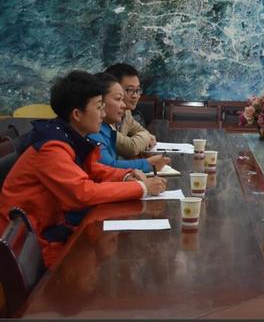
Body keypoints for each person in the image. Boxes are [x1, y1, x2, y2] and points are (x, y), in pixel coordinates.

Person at [0, 70, 166, 266]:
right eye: (99, 107)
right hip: (29, 244)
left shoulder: (68, 136)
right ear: (77, 114)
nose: (103, 114)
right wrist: (142, 188)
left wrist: (127, 175)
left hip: (47, 228)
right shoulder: (51, 148)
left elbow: (94, 169)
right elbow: (83, 192)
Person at [89, 72, 169, 173]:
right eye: (118, 99)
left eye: (138, 90)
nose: (123, 105)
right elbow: (108, 167)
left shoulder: (118, 119)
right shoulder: (92, 130)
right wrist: (148, 164)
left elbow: (144, 132)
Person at [104, 63, 156, 157]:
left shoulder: (127, 112)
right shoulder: (102, 118)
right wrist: (145, 139)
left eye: (138, 90)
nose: (135, 95)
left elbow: (144, 132)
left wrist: (144, 138)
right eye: (130, 90)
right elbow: (131, 148)